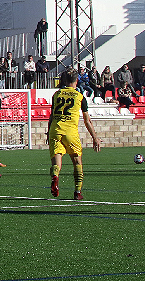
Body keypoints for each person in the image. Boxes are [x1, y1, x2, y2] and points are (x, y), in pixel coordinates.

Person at [48, 70, 101, 200]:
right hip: (70, 131)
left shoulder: (56, 94)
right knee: (77, 162)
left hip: (55, 130)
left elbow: (51, 116)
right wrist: (95, 137)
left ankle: (55, 177)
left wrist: (48, 132)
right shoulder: (79, 96)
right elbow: (87, 120)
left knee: (56, 162)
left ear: (64, 81)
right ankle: (77, 192)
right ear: (76, 81)